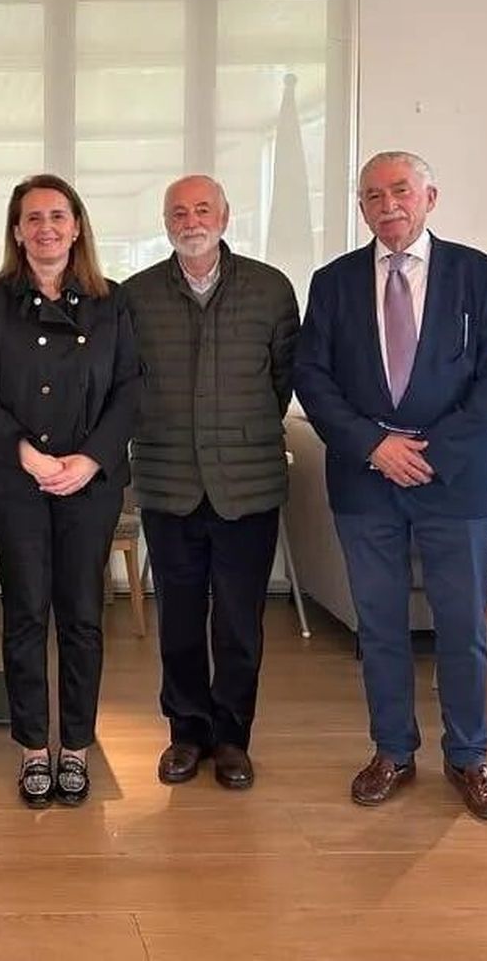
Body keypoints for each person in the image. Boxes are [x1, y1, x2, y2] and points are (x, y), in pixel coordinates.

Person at [293, 150, 487, 821]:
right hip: (367, 479)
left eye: (400, 190)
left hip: (454, 480)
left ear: (430, 197)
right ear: (360, 208)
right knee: (381, 627)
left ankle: (469, 756)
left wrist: (431, 453)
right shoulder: (332, 282)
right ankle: (392, 748)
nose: (387, 203)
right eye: (372, 195)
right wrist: (374, 445)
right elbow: (312, 376)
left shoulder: (479, 275)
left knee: (461, 629)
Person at [0, 174, 140, 808]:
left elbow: (128, 392)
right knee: (27, 613)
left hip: (89, 484)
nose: (46, 228)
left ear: (77, 226)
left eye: (57, 216)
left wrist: (91, 459)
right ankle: (34, 748)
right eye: (32, 218)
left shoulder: (111, 302)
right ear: (17, 231)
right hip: (17, 480)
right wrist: (26, 452)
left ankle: (78, 748)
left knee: (84, 617)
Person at [123, 174, 299, 790]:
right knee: (177, 618)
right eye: (178, 211)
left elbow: (281, 383)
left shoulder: (271, 289)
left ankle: (232, 738)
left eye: (203, 209)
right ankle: (186, 734)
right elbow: (130, 384)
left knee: (238, 621)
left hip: (247, 487)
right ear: (165, 222)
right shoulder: (137, 296)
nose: (191, 220)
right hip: (168, 483)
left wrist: (238, 434)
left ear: (225, 216)